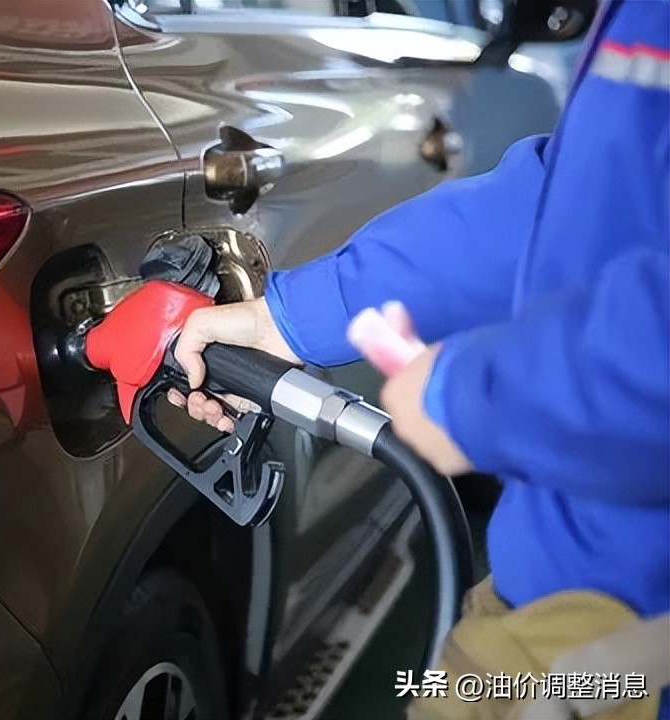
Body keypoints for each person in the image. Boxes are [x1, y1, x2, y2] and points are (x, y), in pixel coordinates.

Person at [169, 1, 669, 718]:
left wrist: (474, 396)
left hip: (626, 635)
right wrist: (292, 318)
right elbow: (565, 204)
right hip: (578, 590)